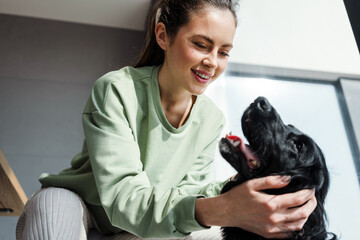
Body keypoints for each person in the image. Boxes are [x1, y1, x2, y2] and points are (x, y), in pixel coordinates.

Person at [16, 0, 317, 239]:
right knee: (52, 203)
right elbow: (124, 196)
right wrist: (218, 208)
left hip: (137, 229)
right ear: (163, 35)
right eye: (201, 44)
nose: (212, 62)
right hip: (84, 207)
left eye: (223, 52)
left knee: (209, 232)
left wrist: (249, 189)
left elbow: (187, 196)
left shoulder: (211, 119)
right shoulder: (116, 90)